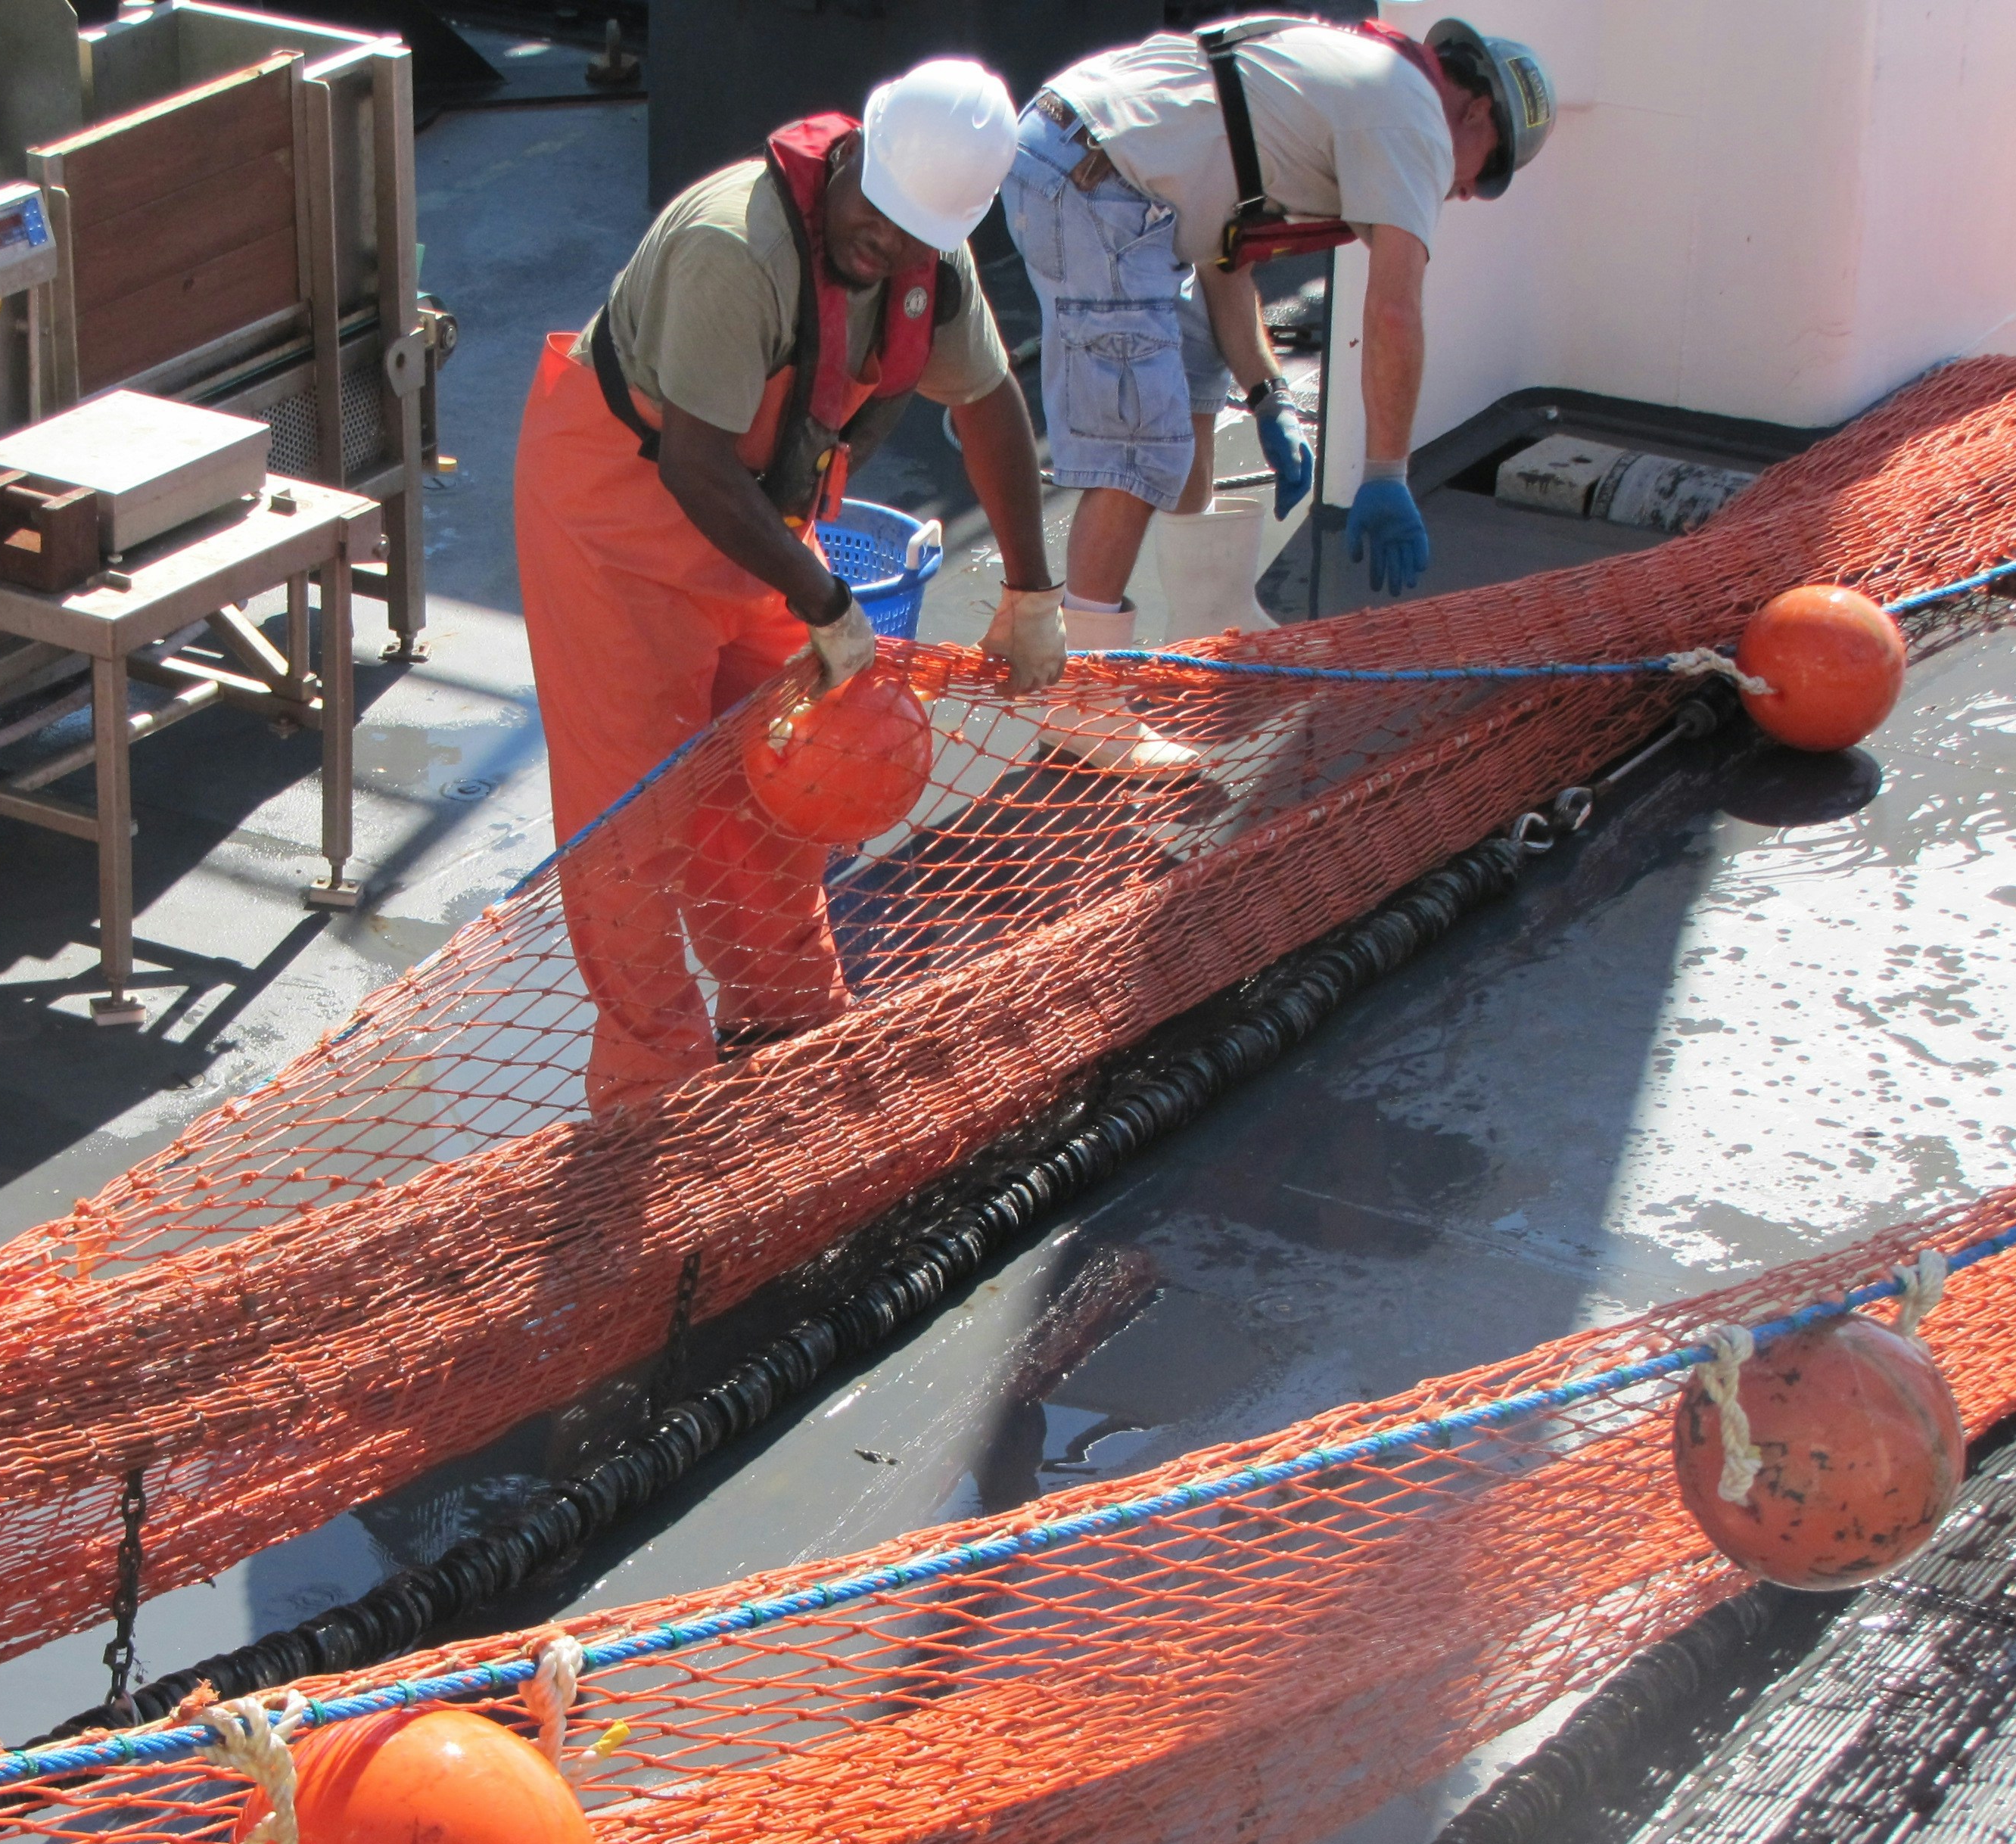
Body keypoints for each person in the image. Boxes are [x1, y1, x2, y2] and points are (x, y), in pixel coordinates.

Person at [514, 57, 1066, 1107]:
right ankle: (651, 1090)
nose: (888, 246)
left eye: (917, 235)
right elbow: (694, 465)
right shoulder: (735, 247)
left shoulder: (926, 253)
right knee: (632, 823)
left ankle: (787, 1024)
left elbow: (988, 400)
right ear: (854, 151)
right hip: (618, 520)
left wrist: (1033, 593)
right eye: (879, 216)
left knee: (783, 787)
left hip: (759, 527)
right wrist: (828, 605)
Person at [1010, 14, 1555, 646]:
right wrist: (1386, 474)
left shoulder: (1360, 81)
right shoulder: (1417, 121)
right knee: (1139, 445)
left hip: (1089, 153)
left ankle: (1205, 617)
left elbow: (1223, 263)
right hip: (1092, 175)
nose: (1468, 192)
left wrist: (1269, 396)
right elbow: (1394, 312)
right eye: (1489, 169)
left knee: (1194, 371)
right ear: (1477, 113)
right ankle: (1082, 681)